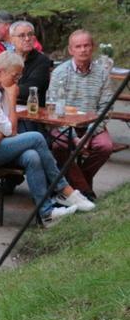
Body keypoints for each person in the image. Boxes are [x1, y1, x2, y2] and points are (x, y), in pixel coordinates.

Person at [0, 51, 95, 225]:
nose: (17, 81)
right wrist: (13, 98)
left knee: (32, 156)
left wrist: (1, 133)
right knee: (37, 137)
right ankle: (65, 190)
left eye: (19, 77)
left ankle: (46, 214)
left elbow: (7, 127)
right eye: (15, 76)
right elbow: (12, 129)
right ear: (0, 72)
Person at [47, 30, 115, 200]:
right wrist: (72, 136)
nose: (83, 49)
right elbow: (52, 107)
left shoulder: (102, 73)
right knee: (59, 147)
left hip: (93, 126)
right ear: (71, 50)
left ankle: (77, 184)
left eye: (86, 45)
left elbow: (106, 107)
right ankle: (86, 192)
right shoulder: (59, 73)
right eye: (78, 46)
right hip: (64, 126)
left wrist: (89, 134)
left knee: (105, 147)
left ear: (92, 48)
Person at [10, 20, 52, 107]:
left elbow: (31, 89)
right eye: (22, 35)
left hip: (32, 110)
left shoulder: (42, 61)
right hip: (8, 106)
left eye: (30, 34)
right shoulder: (7, 59)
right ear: (11, 40)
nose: (27, 39)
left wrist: (6, 88)